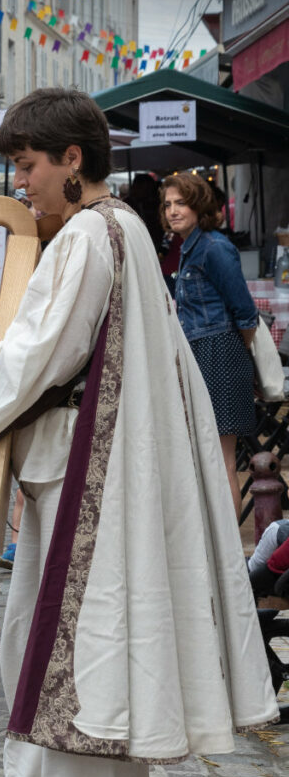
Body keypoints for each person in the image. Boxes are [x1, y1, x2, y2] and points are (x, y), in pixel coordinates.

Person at [0, 88, 277, 777]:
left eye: (29, 164)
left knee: (74, 652)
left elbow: (44, 361)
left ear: (74, 160)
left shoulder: (86, 235)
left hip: (88, 473)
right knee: (39, 642)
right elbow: (68, 346)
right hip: (83, 465)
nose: (21, 183)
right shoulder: (123, 231)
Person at [163, 172, 257, 520]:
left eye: (181, 203)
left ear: (198, 205)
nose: (172, 211)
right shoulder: (188, 248)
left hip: (220, 355)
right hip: (200, 356)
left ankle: (230, 556)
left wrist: (233, 351)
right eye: (168, 204)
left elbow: (246, 314)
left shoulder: (215, 247)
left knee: (220, 459)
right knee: (203, 457)